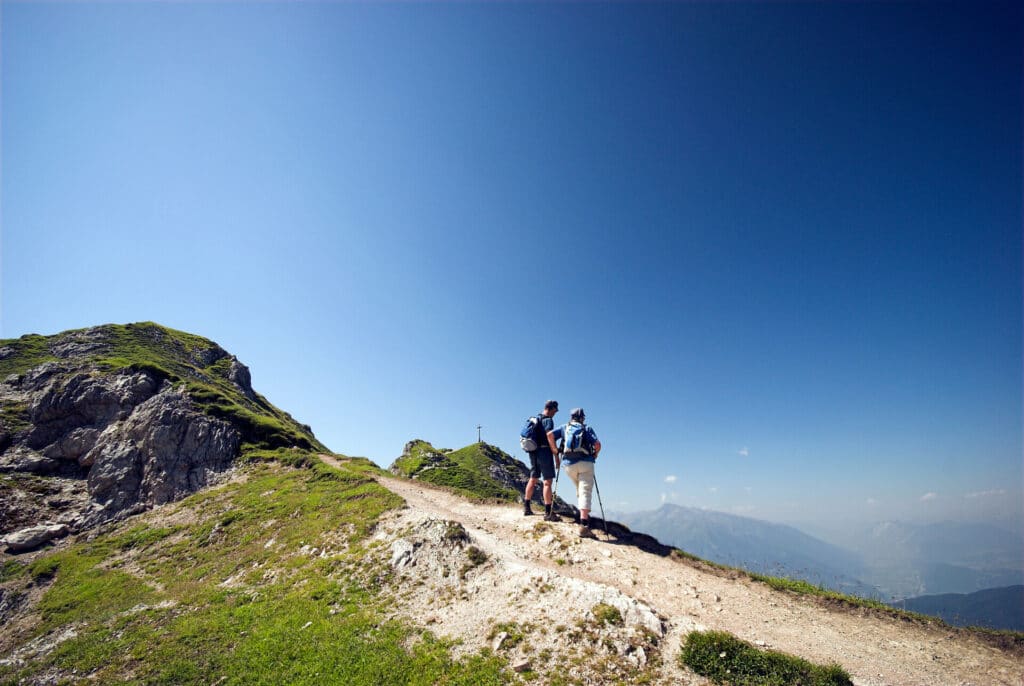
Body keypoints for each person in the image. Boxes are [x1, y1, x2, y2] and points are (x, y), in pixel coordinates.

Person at [557, 408, 601, 538]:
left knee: (579, 489)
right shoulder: (586, 428)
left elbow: (549, 435)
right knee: (585, 492)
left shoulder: (564, 427)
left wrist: (555, 451)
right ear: (581, 417)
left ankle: (581, 512)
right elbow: (598, 444)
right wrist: (594, 455)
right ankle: (584, 525)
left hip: (568, 465)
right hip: (586, 463)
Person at [523, 400, 559, 518]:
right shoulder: (548, 420)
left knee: (533, 479)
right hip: (544, 452)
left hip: (533, 452)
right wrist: (555, 453)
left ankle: (527, 508)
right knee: (547, 482)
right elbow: (549, 436)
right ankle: (548, 512)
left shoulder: (536, 419)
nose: (555, 413)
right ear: (551, 408)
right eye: (555, 410)